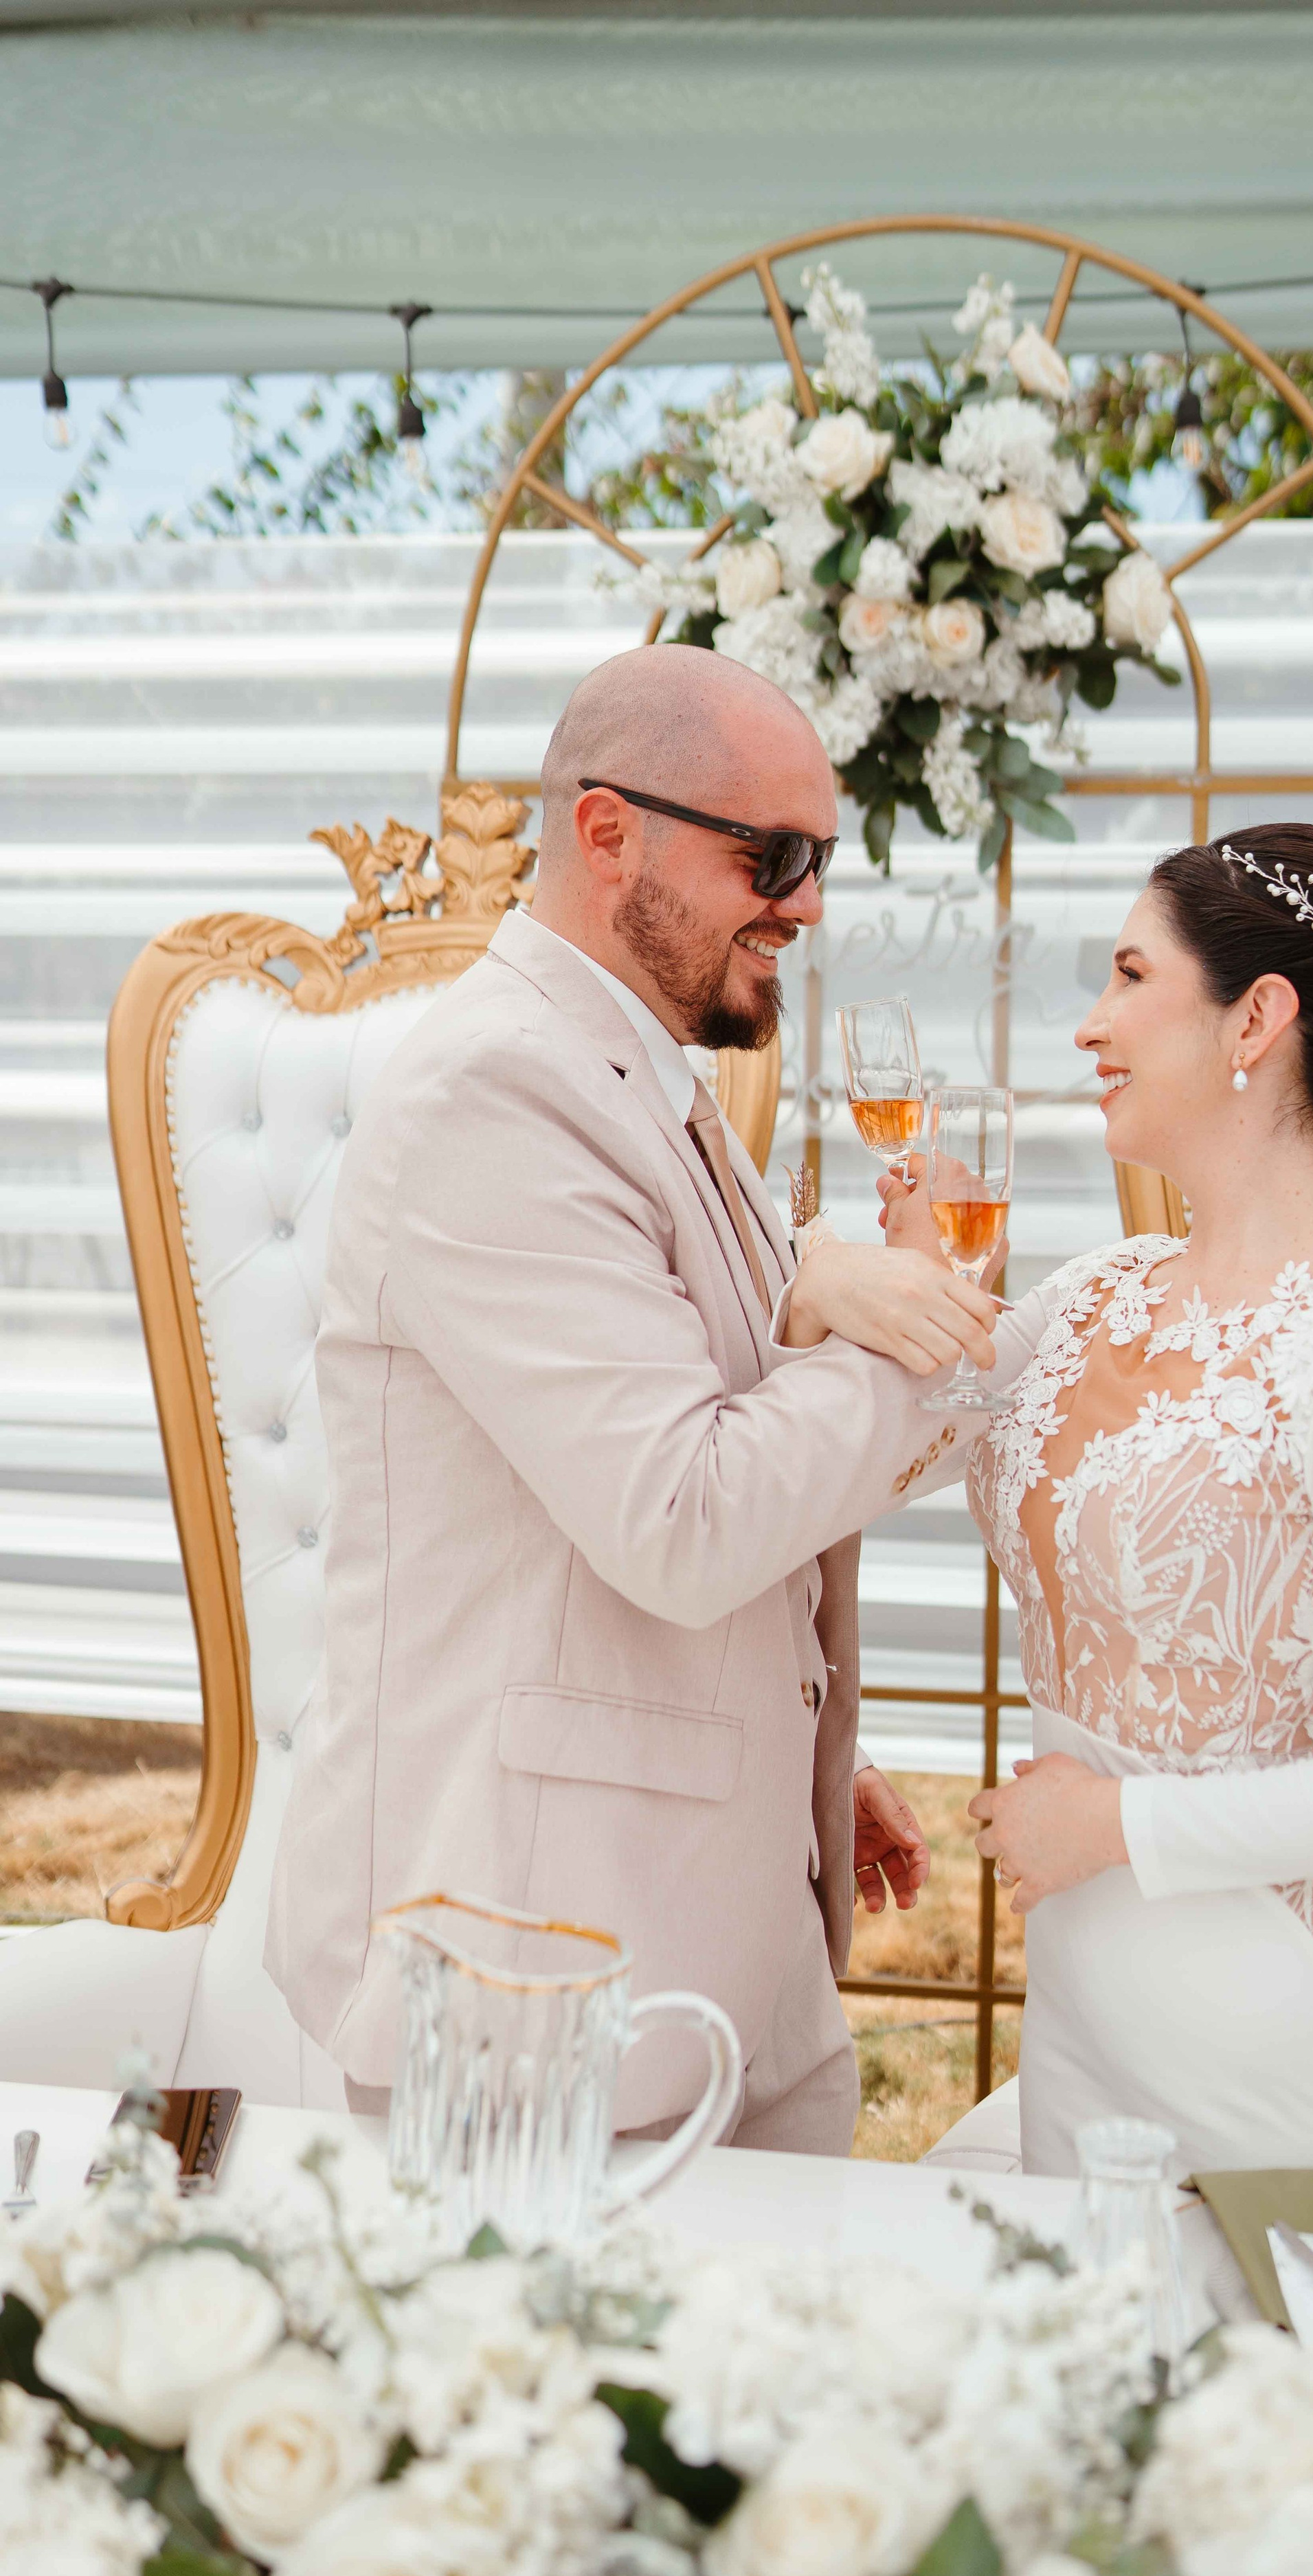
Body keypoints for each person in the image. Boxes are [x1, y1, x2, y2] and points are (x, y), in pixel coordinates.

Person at [265, 643, 998, 2152]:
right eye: (771, 854)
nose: (803, 904)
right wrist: (912, 1333)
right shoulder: (496, 1091)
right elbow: (680, 1513)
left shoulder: (639, 1071)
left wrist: (798, 1741)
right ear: (608, 834)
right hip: (533, 1985)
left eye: (819, 859)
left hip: (712, 1948)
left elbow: (666, 1397)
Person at [882, 826, 1313, 2180]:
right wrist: (896, 1286)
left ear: (1256, 1015)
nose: (1090, 1026)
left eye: (1128, 977)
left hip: (1292, 2055)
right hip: (1093, 2036)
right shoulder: (1095, 1295)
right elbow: (873, 1463)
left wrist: (1119, 1825)